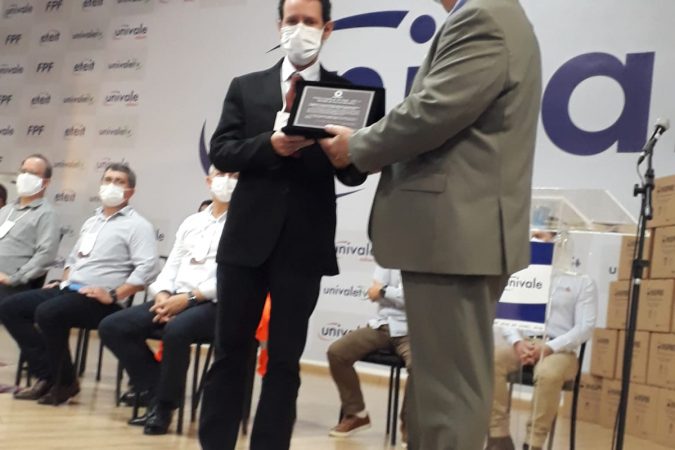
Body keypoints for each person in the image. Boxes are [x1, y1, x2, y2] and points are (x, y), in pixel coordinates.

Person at [319, 0, 542, 448]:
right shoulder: (493, 14)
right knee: (436, 389)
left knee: (449, 394)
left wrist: (358, 146)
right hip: (456, 236)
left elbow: (432, 112)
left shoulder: (482, 16)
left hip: (455, 237)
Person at [198, 0, 367, 448]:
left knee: (285, 362)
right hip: (244, 243)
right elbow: (222, 151)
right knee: (230, 352)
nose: (299, 29)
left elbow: (356, 172)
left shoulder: (345, 93)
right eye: (292, 21)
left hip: (303, 246)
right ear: (279, 26)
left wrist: (342, 156)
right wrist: (269, 145)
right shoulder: (246, 87)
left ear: (327, 29)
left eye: (309, 21)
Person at [0, 163, 159, 405]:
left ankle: (64, 382)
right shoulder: (92, 222)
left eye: (119, 181)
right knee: (11, 307)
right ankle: (48, 375)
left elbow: (148, 269)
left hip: (101, 300)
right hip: (71, 290)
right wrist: (64, 283)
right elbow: (73, 260)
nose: (111, 185)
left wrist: (114, 294)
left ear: (130, 192)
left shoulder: (138, 226)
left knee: (49, 312)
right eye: (107, 180)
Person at [99, 167, 235, 435]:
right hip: (174, 298)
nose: (227, 181)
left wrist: (188, 299)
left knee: (176, 330)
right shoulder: (192, 222)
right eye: (221, 175)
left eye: (235, 176)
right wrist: (162, 295)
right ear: (209, 181)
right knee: (113, 326)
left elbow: (231, 280)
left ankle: (163, 407)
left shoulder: (246, 224)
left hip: (215, 305)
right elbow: (171, 266)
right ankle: (155, 389)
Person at [487, 232, 597, 450]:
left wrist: (549, 347)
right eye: (536, 236)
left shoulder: (582, 282)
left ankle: (533, 442)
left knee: (547, 373)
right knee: (490, 359)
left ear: (561, 240)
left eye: (546, 236)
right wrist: (517, 342)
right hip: (524, 343)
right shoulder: (523, 276)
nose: (539, 241)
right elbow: (507, 314)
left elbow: (584, 327)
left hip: (560, 350)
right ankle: (498, 436)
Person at [327, 266, 411, 445]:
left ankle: (411, 426)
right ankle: (357, 414)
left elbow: (414, 297)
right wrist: (387, 292)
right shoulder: (386, 257)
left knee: (419, 367)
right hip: (382, 325)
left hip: (413, 331)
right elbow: (373, 293)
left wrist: (384, 291)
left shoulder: (424, 258)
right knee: (337, 353)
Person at [0, 155, 59, 302]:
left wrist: (14, 278)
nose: (25, 176)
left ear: (45, 182)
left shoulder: (46, 214)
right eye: (23, 171)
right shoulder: (6, 210)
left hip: (10, 284)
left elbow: (46, 255)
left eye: (32, 173)